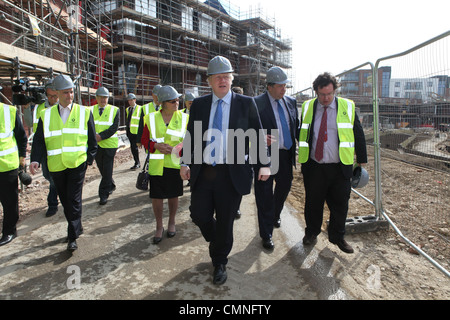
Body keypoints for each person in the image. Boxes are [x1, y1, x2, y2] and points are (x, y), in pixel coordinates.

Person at [180, 56, 270, 285]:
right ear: (209, 81)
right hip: (204, 171)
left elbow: (258, 136)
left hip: (231, 174)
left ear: (231, 79)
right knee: (198, 214)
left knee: (226, 219)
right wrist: (185, 163)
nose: (222, 80)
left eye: (226, 76)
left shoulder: (245, 103)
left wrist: (265, 164)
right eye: (217, 77)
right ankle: (217, 238)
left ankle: (219, 261)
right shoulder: (199, 105)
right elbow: (191, 136)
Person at [298, 72, 367, 254]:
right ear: (316, 92)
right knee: (313, 203)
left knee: (340, 204)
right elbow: (301, 133)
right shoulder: (307, 107)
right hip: (314, 166)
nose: (326, 98)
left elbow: (358, 133)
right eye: (322, 94)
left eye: (329, 94)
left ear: (335, 90)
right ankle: (311, 232)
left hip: (340, 167)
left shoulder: (347, 106)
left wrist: (361, 160)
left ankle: (337, 237)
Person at [29, 74, 98, 252]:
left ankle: (72, 236)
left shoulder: (84, 112)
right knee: (66, 200)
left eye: (71, 92)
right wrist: (35, 159)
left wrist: (88, 159)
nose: (69, 96)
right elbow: (39, 140)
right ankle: (77, 226)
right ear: (57, 94)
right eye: (66, 93)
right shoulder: (46, 115)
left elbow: (92, 140)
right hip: (56, 165)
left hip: (77, 164)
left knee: (73, 199)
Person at [253, 66, 299, 250]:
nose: (284, 89)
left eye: (285, 86)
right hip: (265, 155)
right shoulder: (256, 103)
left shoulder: (291, 102)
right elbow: (243, 130)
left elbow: (296, 126)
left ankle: (274, 214)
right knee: (264, 194)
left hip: (285, 155)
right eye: (280, 86)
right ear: (269, 86)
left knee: (284, 187)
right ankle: (266, 234)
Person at [139, 86, 188, 244]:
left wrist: (177, 150)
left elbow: (189, 141)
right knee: (157, 197)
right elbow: (144, 139)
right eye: (172, 101)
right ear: (162, 103)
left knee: (173, 195)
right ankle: (159, 225)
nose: (177, 103)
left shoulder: (184, 118)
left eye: (178, 100)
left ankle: (171, 222)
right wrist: (155, 146)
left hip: (175, 163)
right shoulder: (150, 118)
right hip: (157, 164)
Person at [0, 102, 27, 246]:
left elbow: (22, 137)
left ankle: (9, 231)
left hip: (7, 166)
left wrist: (22, 159)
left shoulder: (9, 111)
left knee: (9, 203)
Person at [32, 79, 60, 217]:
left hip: (59, 149)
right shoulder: (39, 109)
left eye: (56, 95)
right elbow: (36, 130)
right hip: (45, 149)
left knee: (54, 178)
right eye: (51, 96)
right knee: (47, 175)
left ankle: (52, 203)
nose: (54, 99)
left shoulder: (63, 108)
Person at [92, 87, 120, 205]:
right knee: (102, 168)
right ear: (96, 98)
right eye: (101, 97)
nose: (103, 100)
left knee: (107, 169)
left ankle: (103, 194)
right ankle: (111, 184)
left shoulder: (115, 110)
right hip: (96, 145)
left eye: (105, 97)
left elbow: (114, 128)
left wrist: (101, 136)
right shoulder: (90, 110)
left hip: (109, 144)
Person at [125, 93, 143, 170]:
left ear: (135, 100)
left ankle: (138, 163)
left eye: (131, 100)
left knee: (136, 148)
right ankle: (137, 162)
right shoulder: (127, 109)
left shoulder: (140, 108)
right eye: (129, 100)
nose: (130, 101)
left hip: (137, 132)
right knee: (133, 148)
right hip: (130, 132)